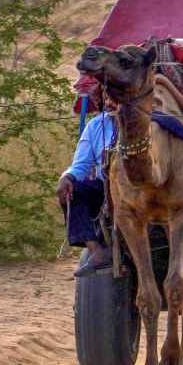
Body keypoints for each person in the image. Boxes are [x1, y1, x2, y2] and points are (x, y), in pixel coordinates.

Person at [56, 86, 117, 278]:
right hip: (106, 188)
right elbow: (81, 165)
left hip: (145, 187)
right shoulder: (96, 126)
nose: (109, 101)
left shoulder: (148, 121)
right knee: (73, 191)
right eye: (106, 96)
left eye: (115, 94)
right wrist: (67, 177)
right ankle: (95, 249)